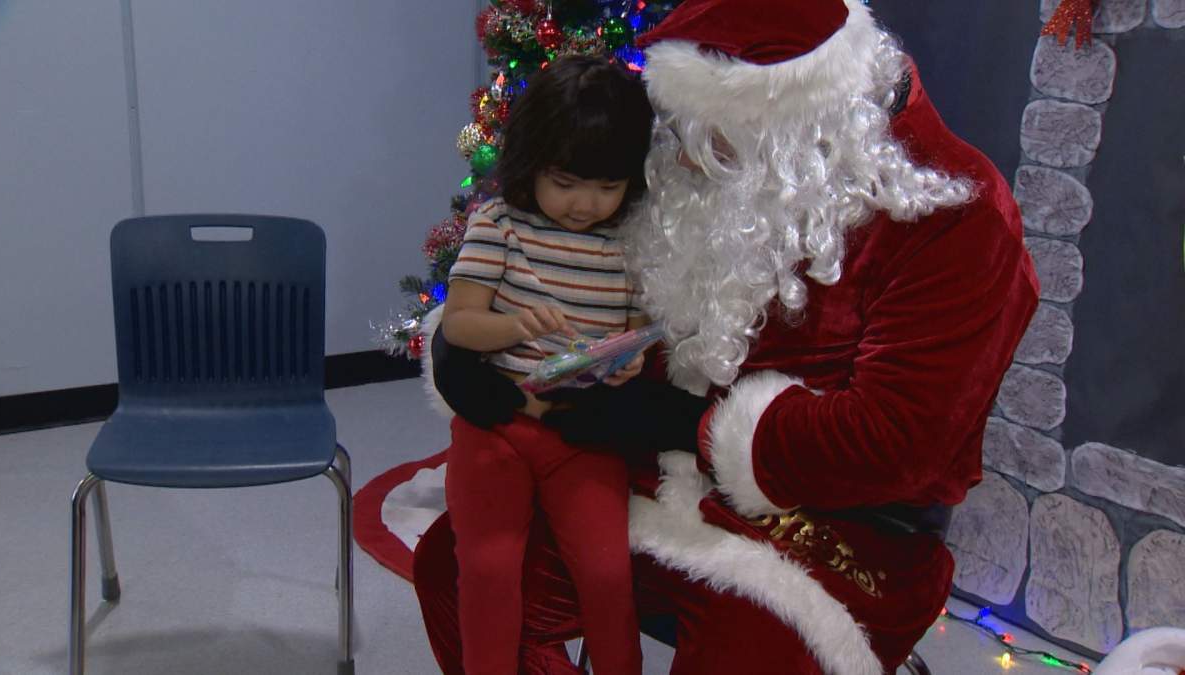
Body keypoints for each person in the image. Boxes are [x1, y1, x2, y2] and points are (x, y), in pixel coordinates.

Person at [418, 0, 1040, 673]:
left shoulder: (959, 216)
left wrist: (693, 424)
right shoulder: (699, 160)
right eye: (681, 125)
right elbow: (566, 272)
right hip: (644, 474)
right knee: (452, 569)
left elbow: (898, 441)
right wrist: (461, 349)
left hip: (825, 524)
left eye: (709, 134)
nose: (680, 153)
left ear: (791, 121)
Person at [434, 54, 654, 675]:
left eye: (607, 188)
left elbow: (634, 334)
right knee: (488, 567)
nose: (585, 204)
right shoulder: (498, 223)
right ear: (532, 164)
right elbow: (458, 324)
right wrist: (512, 326)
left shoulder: (629, 244)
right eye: (565, 183)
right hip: (496, 431)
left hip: (580, 438)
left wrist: (626, 363)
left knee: (609, 574)